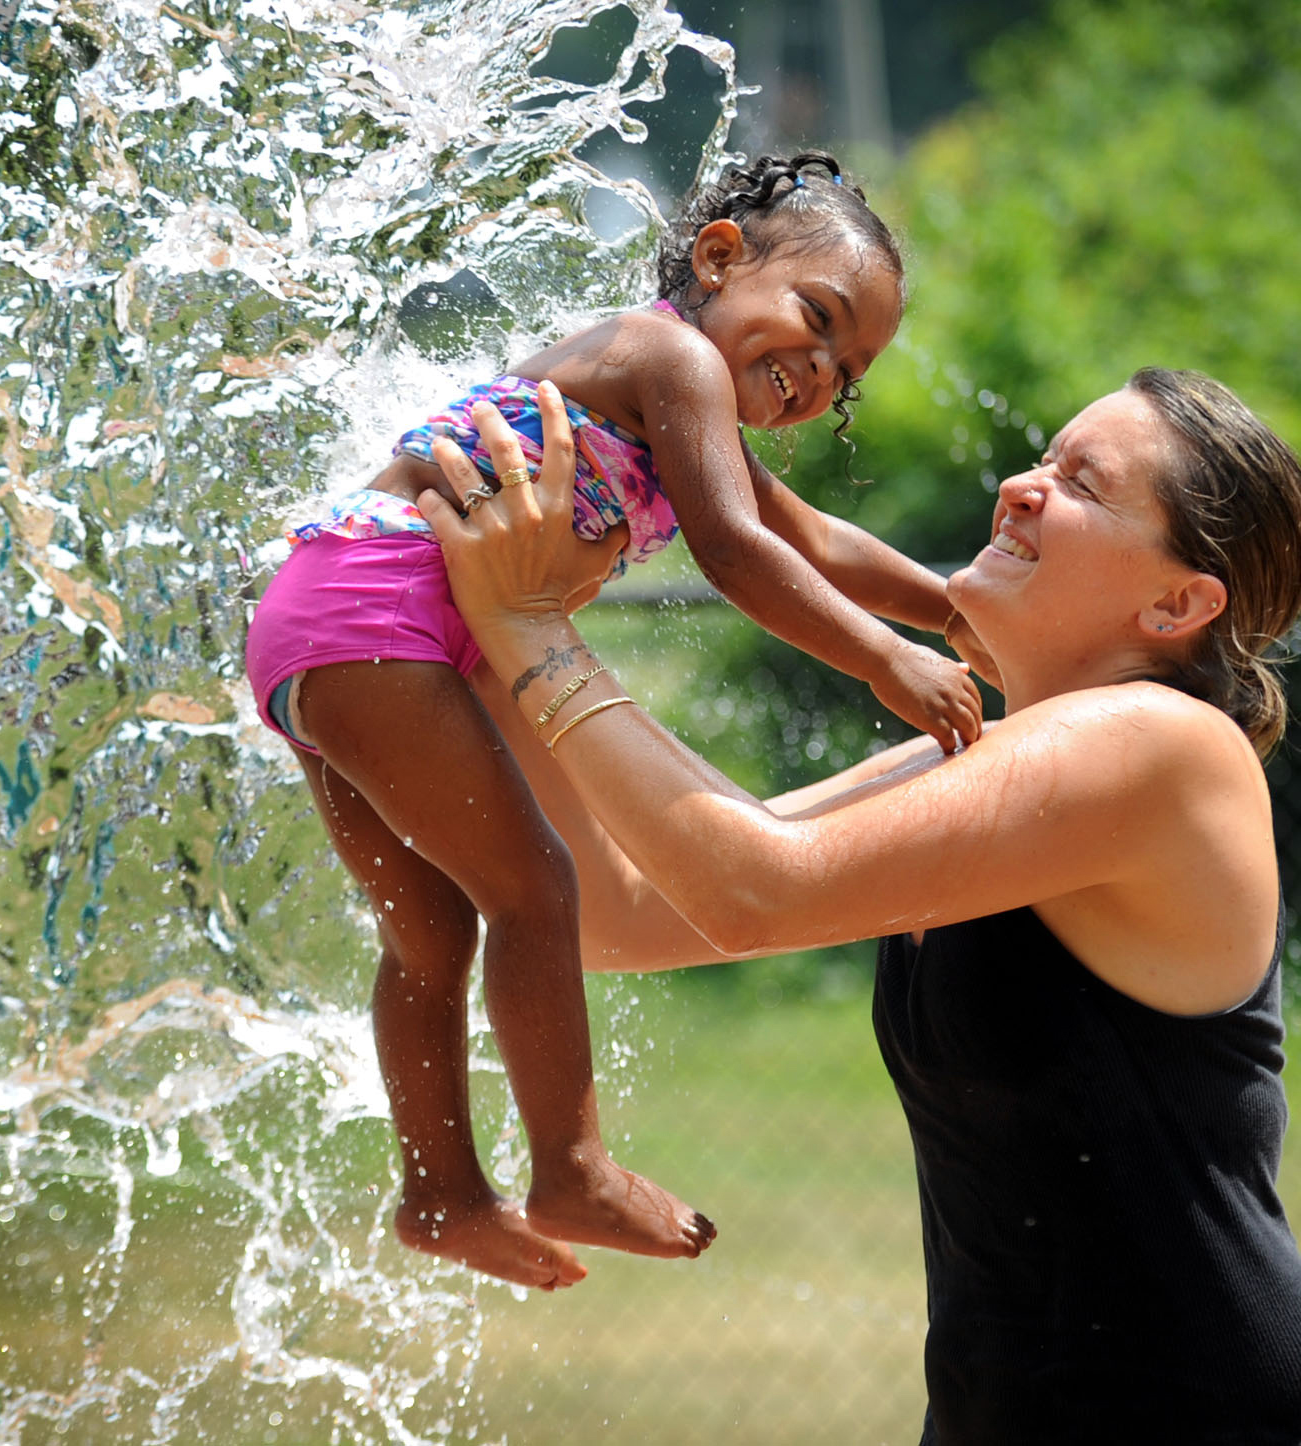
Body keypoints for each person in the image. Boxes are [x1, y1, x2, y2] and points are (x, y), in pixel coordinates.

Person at [416, 370, 1301, 1444]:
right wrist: (478, 628)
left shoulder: (1166, 750)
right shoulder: (961, 758)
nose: (1021, 486)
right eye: (1040, 458)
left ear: (1177, 604)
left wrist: (532, 632)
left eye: (1081, 483)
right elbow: (616, 912)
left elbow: (754, 889)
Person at [244, 151, 982, 1290]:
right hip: (374, 619)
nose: (823, 368)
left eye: (851, 366)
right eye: (817, 318)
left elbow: (812, 540)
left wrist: (951, 609)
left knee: (431, 932)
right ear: (719, 256)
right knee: (534, 889)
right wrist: (888, 660)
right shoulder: (669, 355)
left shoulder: (681, 400)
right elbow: (739, 556)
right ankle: (568, 1168)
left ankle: (439, 1197)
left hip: (330, 617)